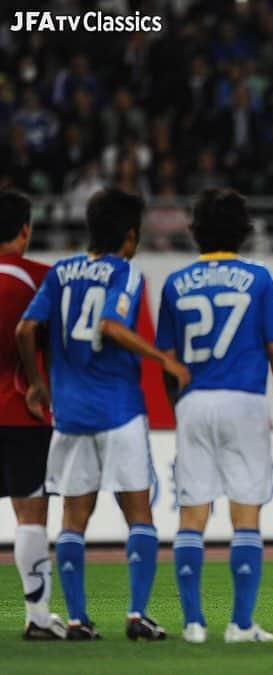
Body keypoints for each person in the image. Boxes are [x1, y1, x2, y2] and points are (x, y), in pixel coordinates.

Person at [16, 188, 189, 641]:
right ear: (130, 236)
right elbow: (110, 325)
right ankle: (136, 615)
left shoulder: (60, 272)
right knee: (139, 515)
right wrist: (162, 359)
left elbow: (26, 328)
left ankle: (76, 620)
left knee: (74, 519)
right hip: (118, 409)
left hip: (69, 414)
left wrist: (37, 382)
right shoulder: (125, 273)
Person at [155, 188, 273, 644]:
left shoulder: (175, 283)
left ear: (194, 232)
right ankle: (241, 624)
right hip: (244, 401)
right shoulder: (259, 278)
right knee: (245, 515)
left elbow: (167, 358)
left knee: (192, 515)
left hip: (194, 401)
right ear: (245, 231)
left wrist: (182, 407)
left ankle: (193, 623)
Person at [0, 190, 67, 640]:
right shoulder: (42, 279)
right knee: (30, 515)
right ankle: (39, 618)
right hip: (21, 409)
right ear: (25, 229)